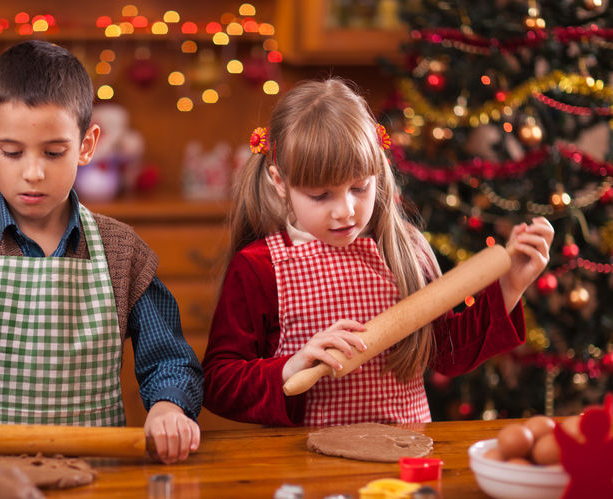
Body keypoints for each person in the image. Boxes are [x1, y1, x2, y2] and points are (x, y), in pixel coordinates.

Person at [0, 40, 202, 463]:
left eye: (53, 152)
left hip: (96, 483)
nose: (33, 172)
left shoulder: (123, 253)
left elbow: (169, 360)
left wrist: (169, 407)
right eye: (12, 151)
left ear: (87, 144)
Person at [202, 78, 553, 427]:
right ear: (281, 182)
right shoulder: (259, 267)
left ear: (377, 173)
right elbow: (218, 382)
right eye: (321, 195)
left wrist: (510, 286)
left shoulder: (406, 251)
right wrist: (290, 366)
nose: (346, 210)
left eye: (359, 188)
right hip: (303, 466)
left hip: (401, 461)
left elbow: (448, 354)